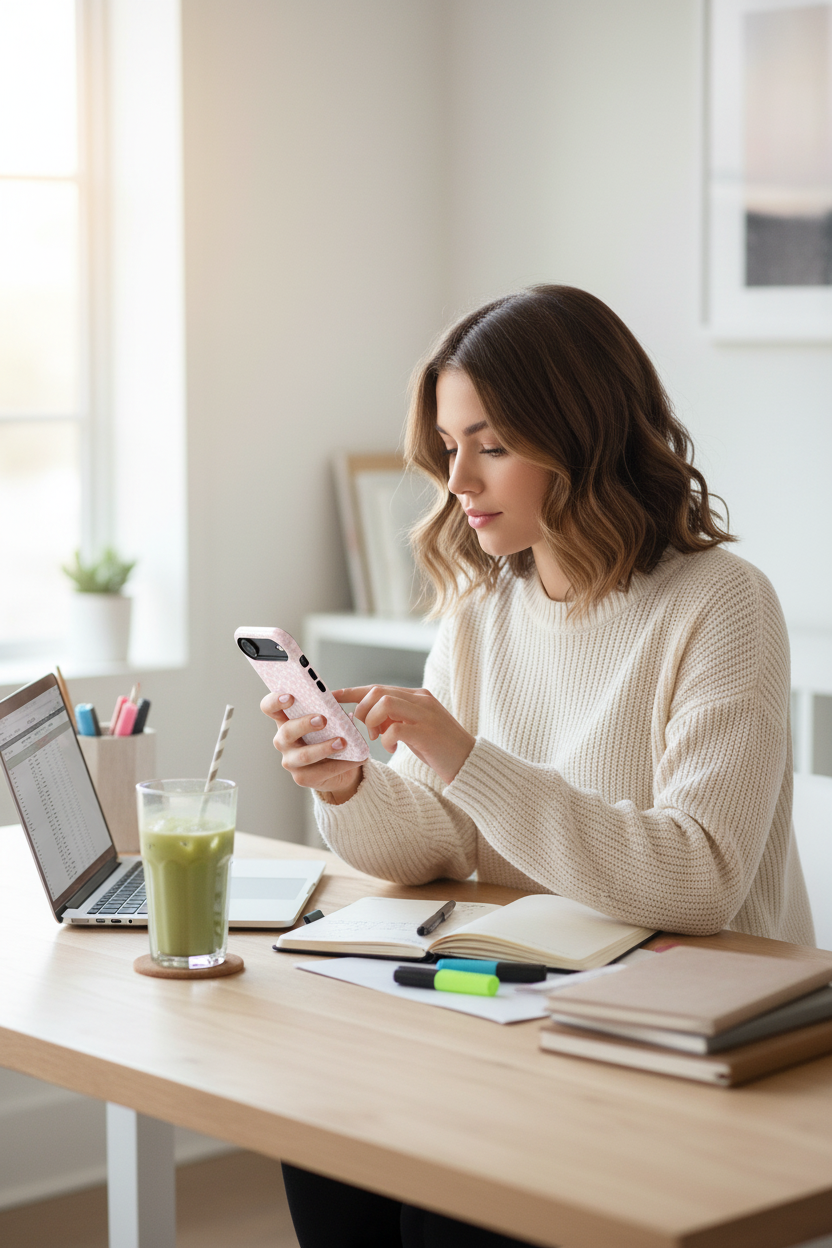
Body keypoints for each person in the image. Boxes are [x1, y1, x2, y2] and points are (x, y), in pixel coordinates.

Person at [263, 286, 814, 1248]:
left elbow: (699, 881)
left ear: (584, 437)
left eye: (493, 444)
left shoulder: (722, 606)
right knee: (322, 1130)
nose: (458, 479)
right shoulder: (485, 611)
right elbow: (440, 842)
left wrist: (468, 758)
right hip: (523, 1012)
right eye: (448, 445)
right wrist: (351, 784)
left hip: (677, 1038)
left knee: (453, 1209)